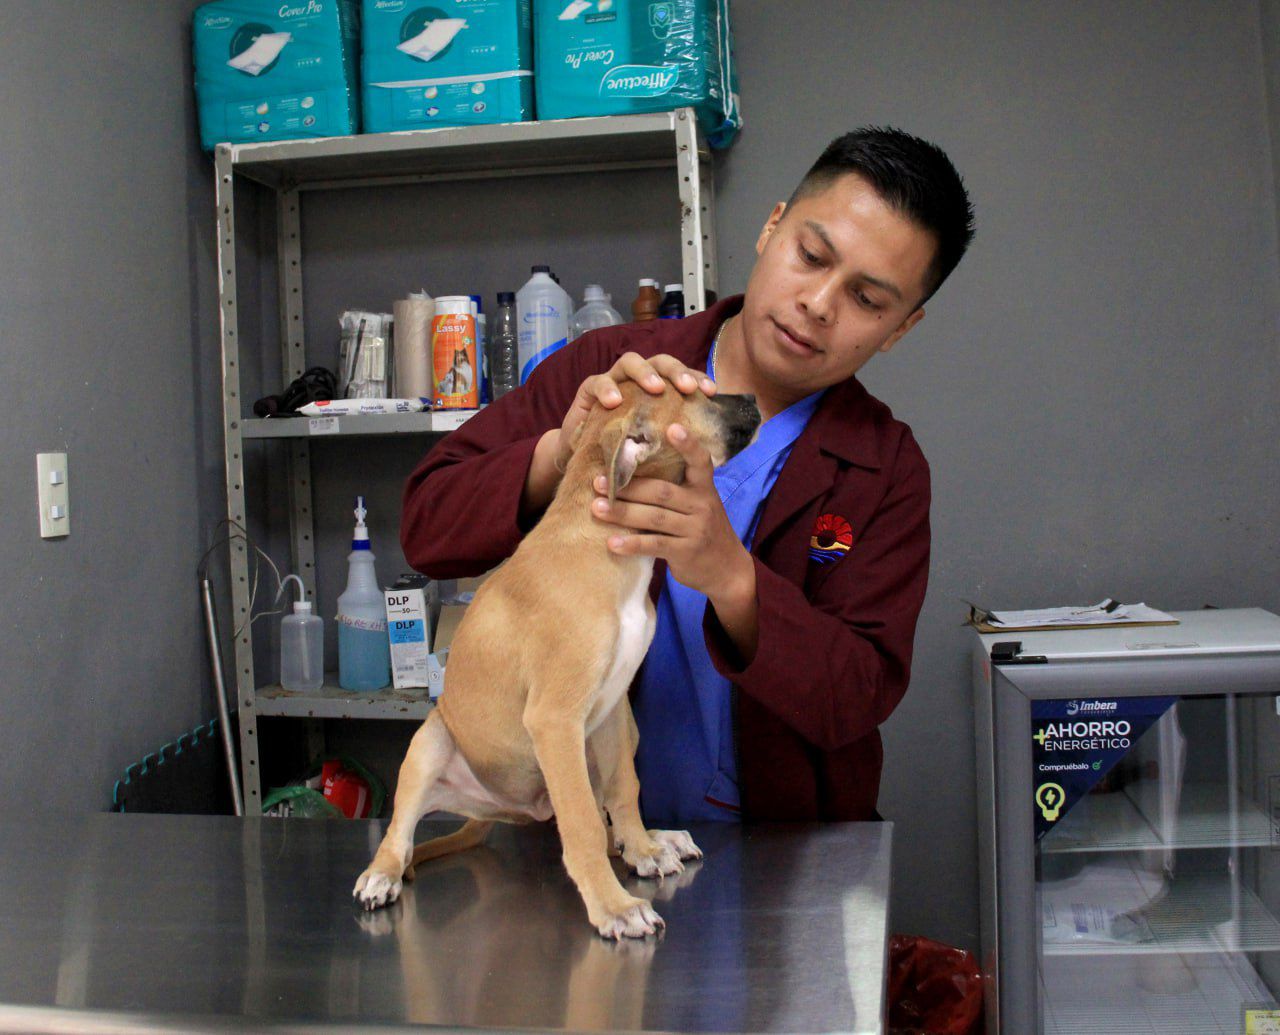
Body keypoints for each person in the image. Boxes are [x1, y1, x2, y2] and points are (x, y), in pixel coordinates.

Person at [402, 126, 975, 823]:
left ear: (900, 328)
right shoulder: (610, 372)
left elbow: (856, 697)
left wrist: (735, 580)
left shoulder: (884, 468)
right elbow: (426, 526)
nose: (819, 303)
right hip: (579, 833)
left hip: (779, 848)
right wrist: (563, 453)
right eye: (811, 255)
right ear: (771, 227)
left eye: (868, 300)